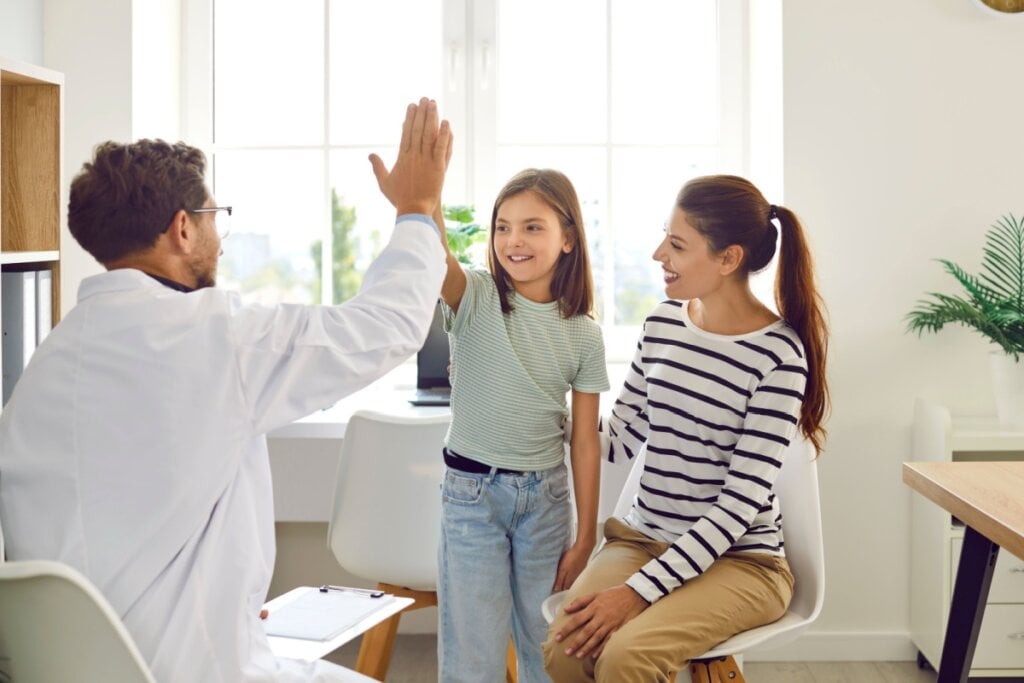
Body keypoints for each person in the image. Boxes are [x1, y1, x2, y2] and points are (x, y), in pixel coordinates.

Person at [0, 98, 451, 683]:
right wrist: (416, 210)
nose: (219, 232)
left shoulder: (45, 367)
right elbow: (385, 329)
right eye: (214, 214)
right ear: (183, 228)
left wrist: (226, 602)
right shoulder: (220, 338)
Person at [543, 174, 829, 682]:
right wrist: (540, 398)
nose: (659, 254)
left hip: (743, 563)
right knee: (567, 646)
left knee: (626, 657)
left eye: (677, 245)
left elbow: (739, 506)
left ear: (728, 259)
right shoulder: (664, 324)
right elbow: (619, 440)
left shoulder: (778, 356)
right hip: (642, 539)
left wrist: (636, 593)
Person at [436, 169, 609, 682]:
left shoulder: (583, 333)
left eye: (533, 227)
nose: (513, 240)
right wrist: (423, 195)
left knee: (549, 649)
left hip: (546, 503)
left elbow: (584, 441)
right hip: (471, 498)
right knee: (474, 654)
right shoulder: (476, 296)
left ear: (569, 238)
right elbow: (435, 255)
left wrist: (585, 536)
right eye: (503, 226)